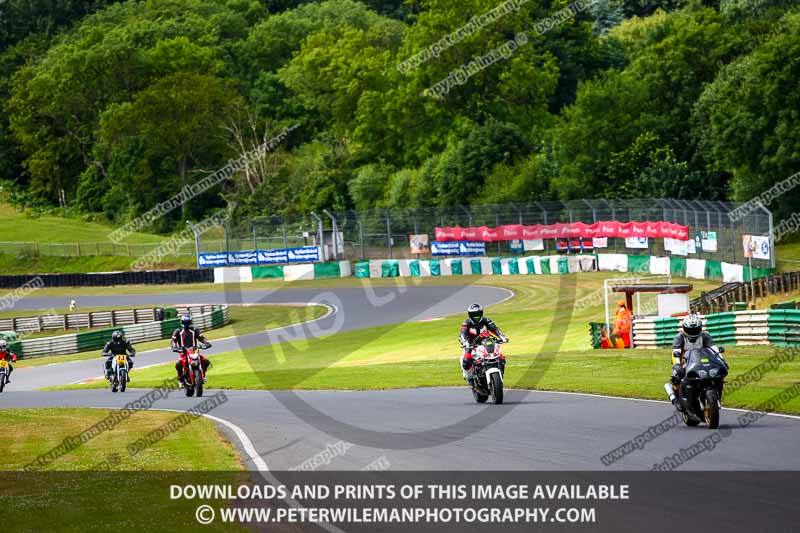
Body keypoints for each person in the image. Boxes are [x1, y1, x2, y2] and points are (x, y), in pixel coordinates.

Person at [668, 313, 728, 411]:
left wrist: (722, 360)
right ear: (684, 328)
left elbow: (714, 349)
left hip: (701, 359)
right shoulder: (679, 337)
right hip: (684, 360)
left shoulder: (705, 336)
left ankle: (717, 397)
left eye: (695, 329)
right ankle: (676, 399)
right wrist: (677, 365)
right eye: (690, 330)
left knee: (719, 375)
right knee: (677, 376)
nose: (693, 332)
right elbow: (676, 352)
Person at [458, 303, 509, 387]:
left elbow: (495, 328)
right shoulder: (466, 323)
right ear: (469, 314)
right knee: (466, 361)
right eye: (473, 314)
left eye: (478, 314)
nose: (476, 316)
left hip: (486, 343)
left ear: (481, 313)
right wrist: (466, 342)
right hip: (471, 345)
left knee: (501, 358)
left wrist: (502, 337)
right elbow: (462, 334)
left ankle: (499, 375)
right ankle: (470, 379)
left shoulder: (486, 320)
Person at [171, 315, 211, 385]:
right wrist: (175, 347)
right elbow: (173, 340)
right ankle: (180, 380)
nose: (186, 324)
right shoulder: (178, 331)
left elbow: (201, 338)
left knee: (206, 362)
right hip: (183, 352)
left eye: (188, 323)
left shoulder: (195, 330)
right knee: (178, 364)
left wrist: (206, 343)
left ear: (190, 322)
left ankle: (203, 375)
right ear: (182, 322)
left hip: (194, 351)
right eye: (185, 323)